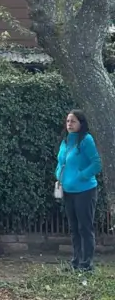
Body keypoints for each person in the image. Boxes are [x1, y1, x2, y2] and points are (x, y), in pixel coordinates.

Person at [55, 109, 102, 272]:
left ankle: (87, 264)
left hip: (85, 190)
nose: (69, 124)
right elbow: (61, 161)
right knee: (74, 228)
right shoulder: (66, 141)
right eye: (68, 121)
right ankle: (76, 261)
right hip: (68, 191)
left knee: (85, 227)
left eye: (73, 121)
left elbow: (96, 163)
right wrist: (58, 174)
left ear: (81, 123)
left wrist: (81, 176)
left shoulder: (86, 140)